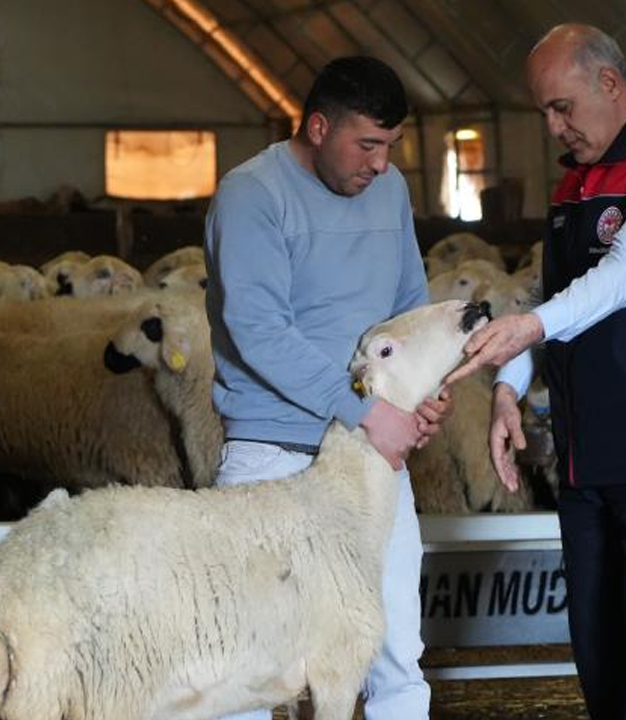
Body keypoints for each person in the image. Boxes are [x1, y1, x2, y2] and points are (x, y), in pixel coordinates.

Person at [446, 24, 626, 720]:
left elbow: (625, 276)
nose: (553, 127)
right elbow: (552, 300)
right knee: (601, 661)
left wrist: (527, 327)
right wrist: (510, 390)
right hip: (590, 455)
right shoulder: (576, 184)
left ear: (610, 83)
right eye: (543, 112)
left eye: (561, 107)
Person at [204, 56, 445, 720]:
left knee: (394, 645)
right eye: (366, 143)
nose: (379, 162)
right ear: (317, 126)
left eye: (390, 146)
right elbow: (257, 329)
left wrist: (422, 390)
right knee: (249, 655)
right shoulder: (252, 194)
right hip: (273, 454)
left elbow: (408, 302)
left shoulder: (390, 190)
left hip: (372, 456)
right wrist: (367, 411)